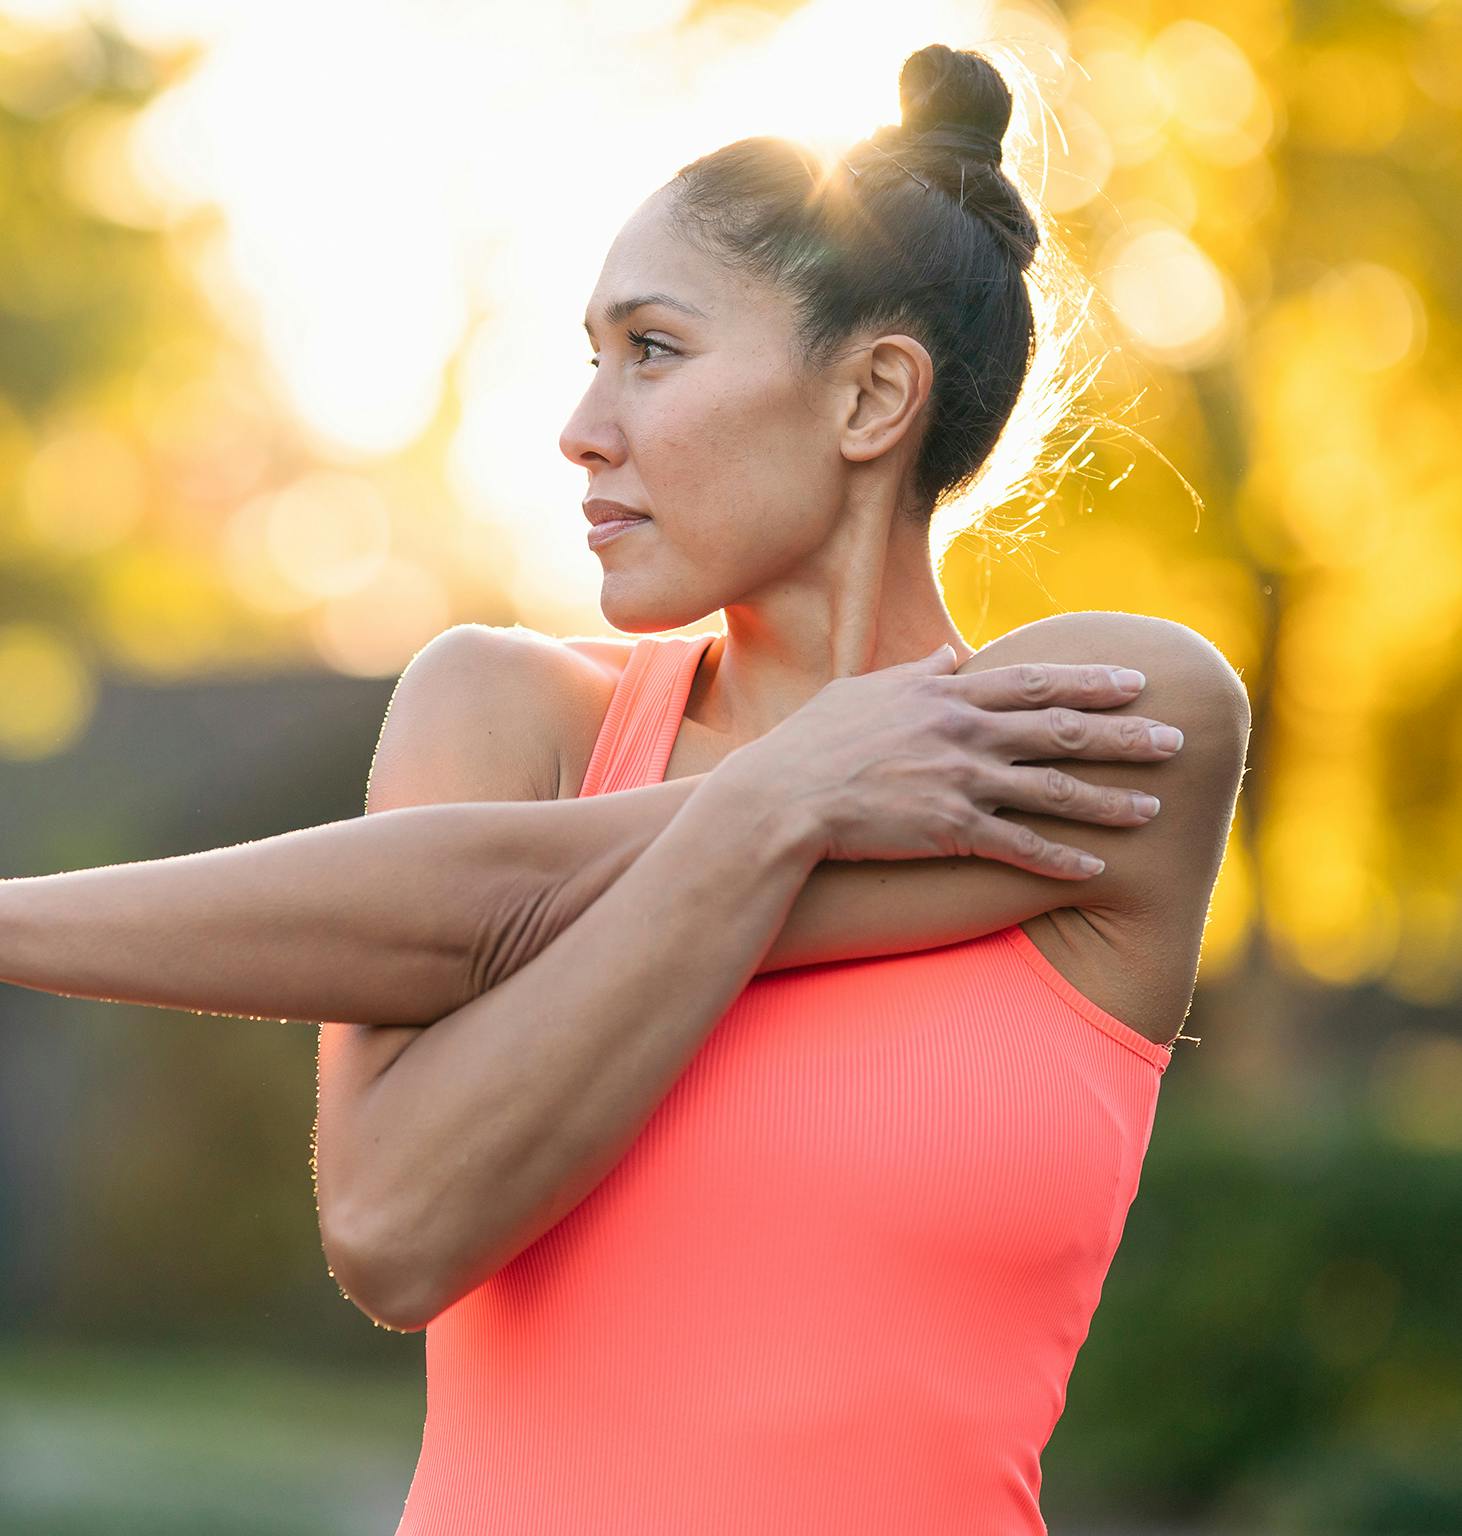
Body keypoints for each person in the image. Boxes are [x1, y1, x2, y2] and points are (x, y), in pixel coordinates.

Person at [0, 42, 1249, 1536]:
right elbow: (395, 1236)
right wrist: (774, 801)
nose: (582, 426)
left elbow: (504, 899)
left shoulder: (1113, 723)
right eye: (589, 354)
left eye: (649, 350)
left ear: (869, 396)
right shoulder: (502, 710)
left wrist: (765, 804)